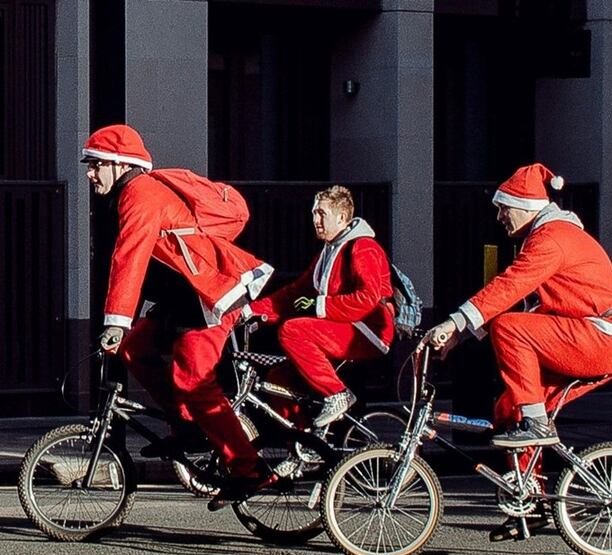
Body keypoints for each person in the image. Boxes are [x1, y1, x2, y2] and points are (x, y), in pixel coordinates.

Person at [426, 163, 612, 540]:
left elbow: (509, 289)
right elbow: (528, 305)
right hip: (592, 335)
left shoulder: (551, 238)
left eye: (503, 207)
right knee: (510, 408)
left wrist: (453, 323)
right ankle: (532, 501)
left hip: (600, 337)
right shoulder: (549, 236)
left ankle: (536, 425)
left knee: (511, 330)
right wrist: (462, 335)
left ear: (525, 205)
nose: (499, 216)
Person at [83, 124, 276, 499]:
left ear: (120, 165)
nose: (90, 173)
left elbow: (130, 258)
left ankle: (248, 467)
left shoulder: (140, 193)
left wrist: (115, 321)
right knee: (135, 348)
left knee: (194, 381)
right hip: (181, 297)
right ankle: (185, 426)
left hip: (211, 294)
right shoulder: (125, 195)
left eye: (96, 164)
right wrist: (122, 328)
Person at [249, 185, 395, 428]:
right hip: (342, 328)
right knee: (278, 379)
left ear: (341, 217)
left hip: (368, 330)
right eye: (314, 213)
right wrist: (251, 311)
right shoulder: (328, 251)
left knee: (293, 330)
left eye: (321, 214)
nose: (315, 220)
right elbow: (295, 292)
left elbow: (368, 298)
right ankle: (302, 447)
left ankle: (337, 394)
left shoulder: (363, 248)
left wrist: (320, 305)